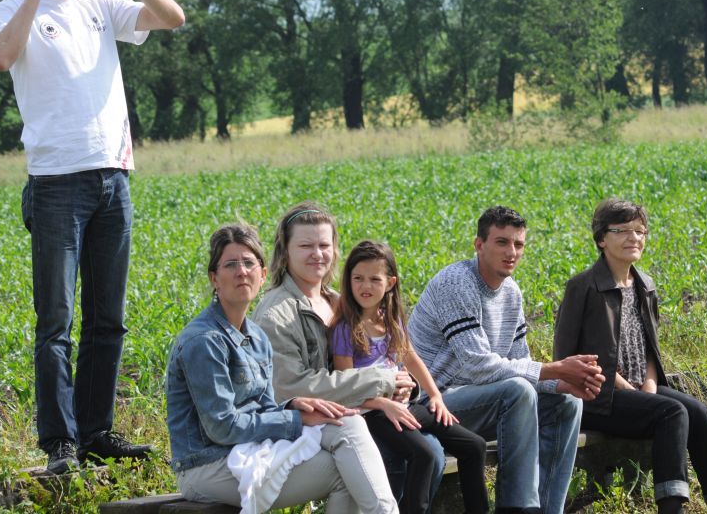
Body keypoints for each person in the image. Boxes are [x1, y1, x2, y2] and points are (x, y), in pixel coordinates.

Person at [0, 0, 185, 473]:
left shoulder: (100, 8)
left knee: (108, 319)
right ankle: (60, 444)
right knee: (56, 321)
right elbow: (1, 57)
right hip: (55, 184)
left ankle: (96, 431)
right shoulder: (13, 9)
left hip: (112, 179)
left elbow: (173, 17)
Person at [166, 222, 396, 512]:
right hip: (207, 466)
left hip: (248, 449)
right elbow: (222, 427)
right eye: (231, 265)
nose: (241, 272)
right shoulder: (204, 341)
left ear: (262, 275)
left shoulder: (256, 336)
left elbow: (263, 406)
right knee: (346, 471)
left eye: (249, 263)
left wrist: (292, 404)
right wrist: (296, 419)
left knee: (347, 423)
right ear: (214, 277)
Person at [408, 206, 606, 514]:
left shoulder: (511, 292)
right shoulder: (457, 282)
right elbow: (479, 366)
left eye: (518, 244)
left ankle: (547, 509)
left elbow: (520, 361)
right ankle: (517, 508)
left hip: (480, 402)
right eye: (502, 242)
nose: (511, 251)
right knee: (517, 391)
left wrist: (563, 383)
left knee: (567, 403)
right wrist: (553, 369)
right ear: (479, 245)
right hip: (433, 403)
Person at [553, 199, 707, 514]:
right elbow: (567, 354)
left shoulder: (645, 285)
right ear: (602, 239)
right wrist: (627, 388)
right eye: (623, 231)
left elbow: (650, 346)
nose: (634, 238)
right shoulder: (583, 286)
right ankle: (671, 507)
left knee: (698, 412)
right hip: (597, 395)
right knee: (671, 412)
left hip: (640, 389)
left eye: (640, 231)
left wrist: (650, 387)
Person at [251, 201, 445, 506]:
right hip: (315, 424)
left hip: (364, 413)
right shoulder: (276, 314)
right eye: (305, 245)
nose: (317, 254)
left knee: (433, 449)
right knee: (409, 454)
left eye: (324, 245)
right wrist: (382, 384)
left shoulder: (341, 301)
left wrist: (407, 387)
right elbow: (291, 387)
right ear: (285, 251)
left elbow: (392, 355)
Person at [331, 240, 489, 514]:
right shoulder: (346, 328)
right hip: (371, 413)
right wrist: (382, 403)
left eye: (374, 279)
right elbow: (345, 381)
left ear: (390, 283)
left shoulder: (390, 320)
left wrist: (436, 395)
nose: (365, 286)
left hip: (403, 406)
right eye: (358, 278)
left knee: (474, 446)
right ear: (348, 280)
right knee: (424, 455)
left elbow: (412, 359)